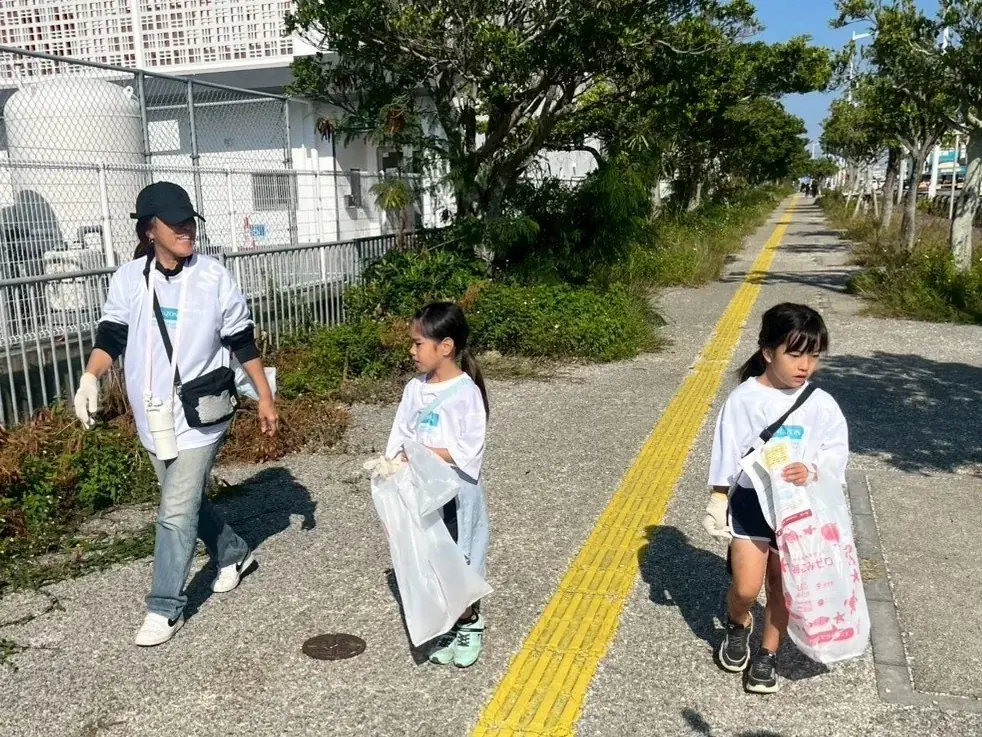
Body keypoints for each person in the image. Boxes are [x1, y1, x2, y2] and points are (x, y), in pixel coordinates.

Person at [73, 181, 278, 647]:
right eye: (176, 223)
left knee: (174, 511)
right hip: (154, 414)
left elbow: (241, 340)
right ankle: (233, 552)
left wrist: (265, 396)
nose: (187, 230)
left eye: (190, 222)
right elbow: (111, 336)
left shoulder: (212, 276)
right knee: (183, 501)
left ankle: (165, 606)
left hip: (202, 412)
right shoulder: (129, 279)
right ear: (150, 230)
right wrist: (90, 377)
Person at [701, 303, 849, 693]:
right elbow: (726, 451)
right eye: (795, 354)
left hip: (796, 508)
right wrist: (718, 499)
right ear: (768, 352)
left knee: (782, 588)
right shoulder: (744, 399)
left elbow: (835, 454)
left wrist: (812, 471)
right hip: (751, 504)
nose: (806, 365)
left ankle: (767, 654)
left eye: (814, 355)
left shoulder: (821, 403)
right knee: (746, 589)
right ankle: (738, 624)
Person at [383, 302, 490, 667]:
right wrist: (392, 470)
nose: (411, 351)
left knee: (456, 557)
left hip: (454, 496)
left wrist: (420, 452)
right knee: (428, 557)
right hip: (420, 492)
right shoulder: (414, 389)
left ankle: (469, 621)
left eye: (418, 343)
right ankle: (447, 623)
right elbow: (399, 435)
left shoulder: (466, 393)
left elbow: (468, 451)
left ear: (445, 346)